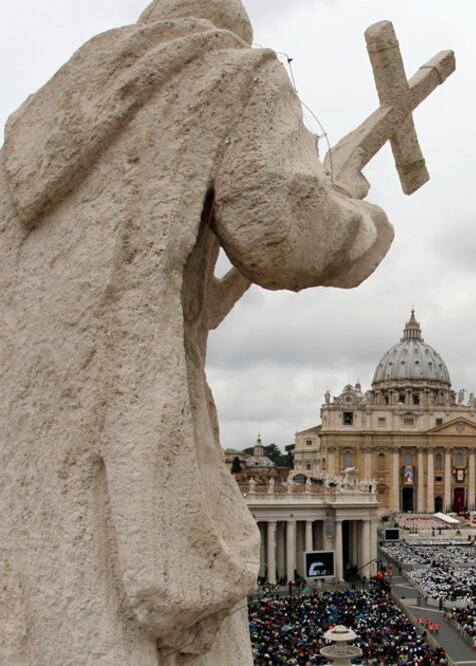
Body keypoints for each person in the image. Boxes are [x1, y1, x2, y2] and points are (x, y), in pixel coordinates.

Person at [0, 0, 395, 663]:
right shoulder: (231, 70)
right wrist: (359, 217)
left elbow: (188, 302)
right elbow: (280, 235)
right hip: (129, 421)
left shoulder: (33, 127)